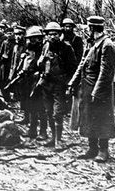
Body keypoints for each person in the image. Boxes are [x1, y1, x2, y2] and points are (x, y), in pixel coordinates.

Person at [67, 16, 115, 162]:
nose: (87, 31)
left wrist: (97, 91)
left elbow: (106, 72)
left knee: (101, 119)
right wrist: (72, 82)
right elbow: (81, 65)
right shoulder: (91, 44)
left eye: (89, 28)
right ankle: (92, 148)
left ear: (93, 29)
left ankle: (103, 150)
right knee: (88, 117)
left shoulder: (107, 45)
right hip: (87, 87)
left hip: (101, 90)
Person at [38, 22, 77, 150]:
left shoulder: (66, 48)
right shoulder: (45, 46)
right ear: (47, 36)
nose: (52, 37)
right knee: (48, 111)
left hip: (59, 84)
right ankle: (53, 137)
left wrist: (68, 84)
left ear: (60, 35)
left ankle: (58, 140)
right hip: (46, 83)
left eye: (55, 34)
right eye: (50, 35)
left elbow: (73, 68)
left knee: (57, 112)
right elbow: (40, 63)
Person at [15, 26, 48, 140]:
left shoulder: (44, 50)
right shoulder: (29, 50)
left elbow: (45, 66)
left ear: (39, 39)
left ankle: (43, 131)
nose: (31, 41)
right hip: (28, 81)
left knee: (41, 108)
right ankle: (32, 130)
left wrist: (38, 73)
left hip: (39, 81)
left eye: (34, 39)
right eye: (30, 39)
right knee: (31, 106)